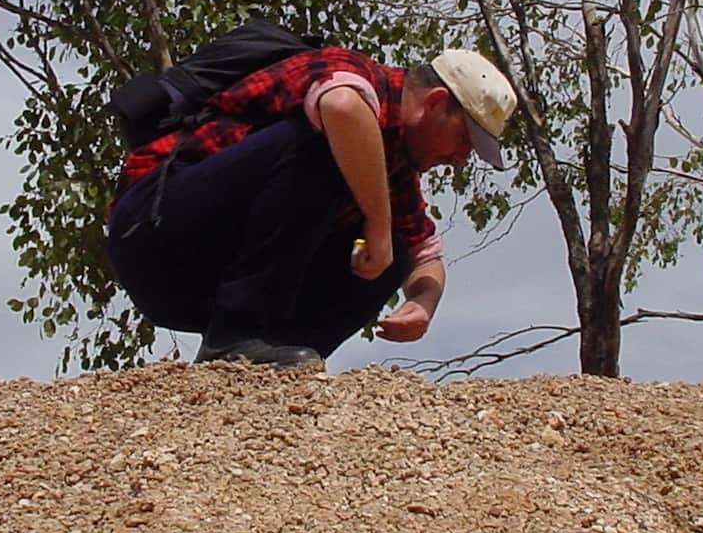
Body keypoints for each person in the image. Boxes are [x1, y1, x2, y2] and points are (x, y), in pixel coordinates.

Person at [104, 43, 516, 370]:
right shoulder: (353, 73)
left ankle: (271, 362)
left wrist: (421, 305)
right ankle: (235, 336)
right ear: (437, 102)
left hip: (198, 288)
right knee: (327, 148)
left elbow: (426, 255)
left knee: (396, 250)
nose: (463, 158)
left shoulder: (396, 169)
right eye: (466, 139)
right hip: (151, 232)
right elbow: (341, 108)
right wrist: (376, 221)